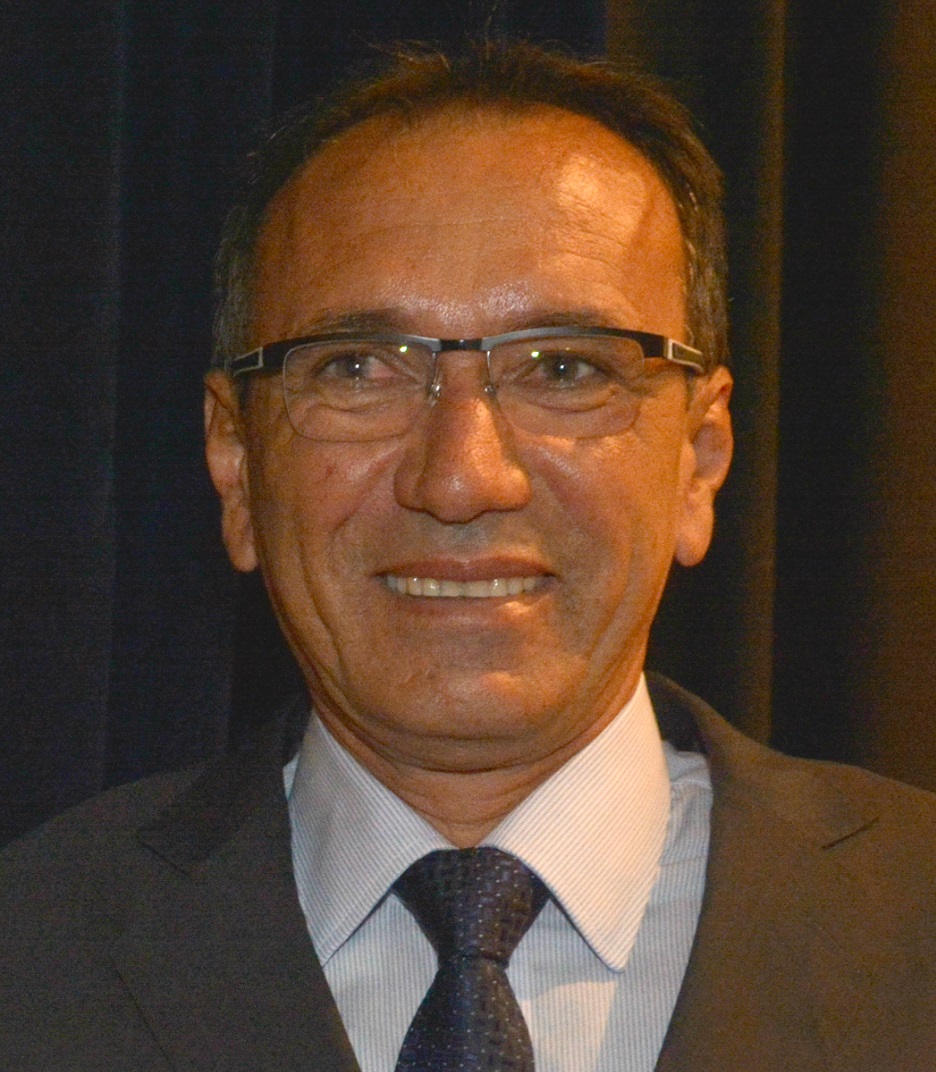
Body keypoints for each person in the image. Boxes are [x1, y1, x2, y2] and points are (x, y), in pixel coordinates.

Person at [2, 40, 934, 1072]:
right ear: (235, 464)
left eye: (564, 369)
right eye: (357, 368)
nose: (460, 478)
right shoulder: (34, 954)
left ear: (699, 461)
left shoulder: (910, 921)